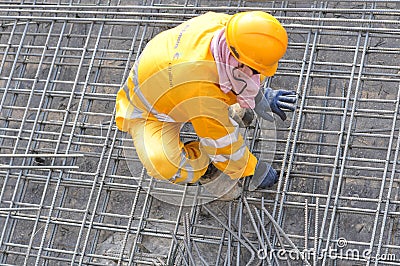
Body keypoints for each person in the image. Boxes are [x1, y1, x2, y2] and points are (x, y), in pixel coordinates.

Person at [115, 11, 296, 199]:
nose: (259, 74)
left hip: (174, 81)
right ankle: (207, 167)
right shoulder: (200, 90)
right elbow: (221, 143)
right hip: (149, 111)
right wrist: (251, 169)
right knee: (163, 164)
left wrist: (258, 96)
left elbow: (247, 70)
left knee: (222, 93)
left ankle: (227, 114)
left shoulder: (229, 29)